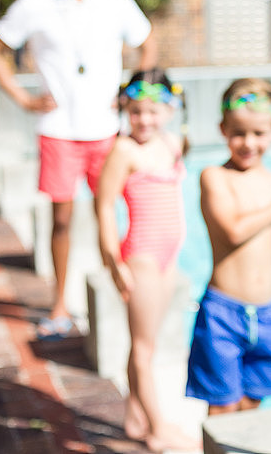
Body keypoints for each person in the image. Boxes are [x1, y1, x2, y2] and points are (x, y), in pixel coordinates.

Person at [0, 0, 157, 340]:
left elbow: (148, 44)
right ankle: (60, 305)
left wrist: (132, 92)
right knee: (61, 222)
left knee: (111, 217)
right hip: (58, 131)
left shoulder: (116, 2)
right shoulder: (34, 4)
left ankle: (119, 298)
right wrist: (24, 100)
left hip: (106, 132)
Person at [186, 77, 271, 415]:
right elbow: (233, 232)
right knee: (222, 410)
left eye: (258, 133)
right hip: (223, 312)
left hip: (269, 315)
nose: (248, 143)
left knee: (252, 405)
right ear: (223, 129)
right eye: (238, 133)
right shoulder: (214, 177)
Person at [96, 68, 198, 452]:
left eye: (154, 111)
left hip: (169, 257)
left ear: (170, 110)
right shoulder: (124, 150)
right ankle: (158, 427)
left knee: (147, 342)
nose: (144, 120)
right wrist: (113, 261)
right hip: (140, 256)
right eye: (136, 111)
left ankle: (135, 417)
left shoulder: (172, 144)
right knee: (143, 348)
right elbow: (104, 207)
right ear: (125, 109)